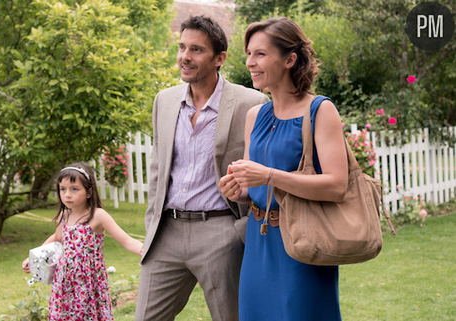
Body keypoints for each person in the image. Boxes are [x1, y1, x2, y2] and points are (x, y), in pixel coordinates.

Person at [135, 16, 269, 321]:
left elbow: (260, 169)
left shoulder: (252, 102)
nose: (185, 56)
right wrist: (150, 225)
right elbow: (159, 168)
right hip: (166, 233)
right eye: (182, 47)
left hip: (220, 232)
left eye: (196, 49)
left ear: (219, 58)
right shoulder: (164, 101)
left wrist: (239, 230)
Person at [218, 17, 347, 320]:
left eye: (260, 54)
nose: (250, 62)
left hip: (302, 243)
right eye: (249, 53)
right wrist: (236, 191)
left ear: (290, 59)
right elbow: (252, 190)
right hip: (259, 243)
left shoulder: (320, 110)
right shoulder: (255, 116)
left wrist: (269, 175)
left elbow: (337, 185)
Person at [22, 162, 143, 320]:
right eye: (62, 189)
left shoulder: (98, 216)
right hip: (64, 282)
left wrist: (144, 249)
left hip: (88, 283)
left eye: (74, 189)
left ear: (89, 192)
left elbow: (126, 240)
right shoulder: (64, 217)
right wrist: (33, 259)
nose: (67, 195)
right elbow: (57, 238)